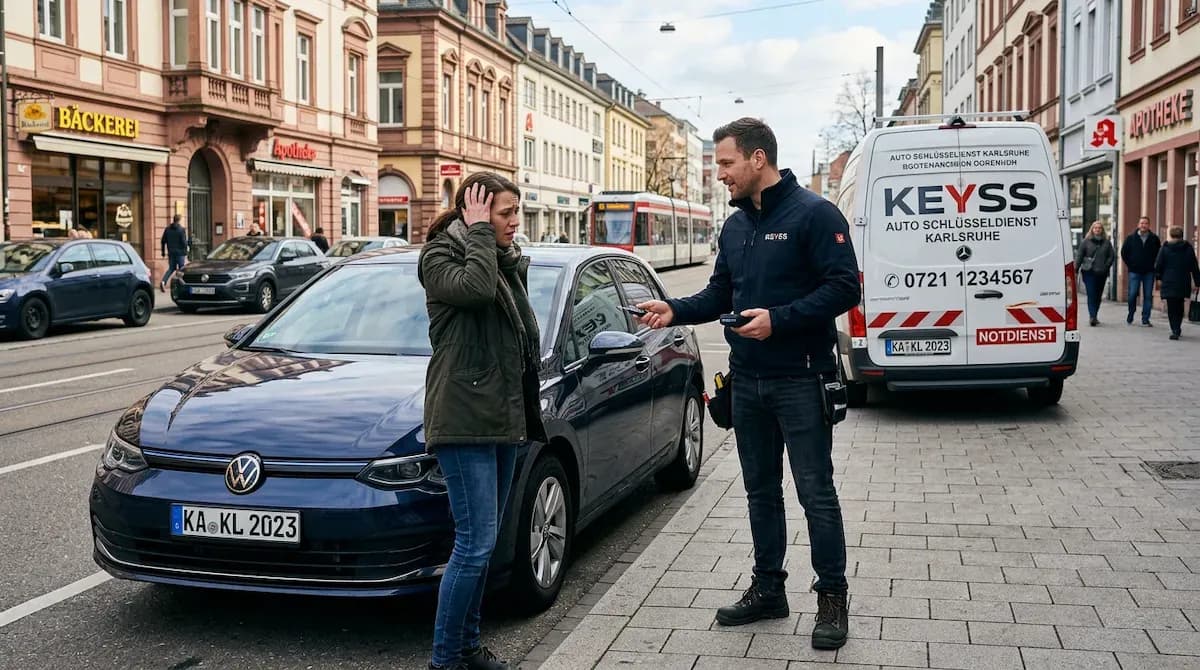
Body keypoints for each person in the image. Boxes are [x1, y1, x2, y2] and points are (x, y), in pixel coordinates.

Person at [636, 118, 859, 650]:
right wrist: (675, 310)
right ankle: (769, 590)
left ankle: (831, 597)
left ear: (758, 159)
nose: (721, 175)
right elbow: (719, 294)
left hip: (802, 380)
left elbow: (845, 287)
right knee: (761, 492)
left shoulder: (814, 214)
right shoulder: (735, 227)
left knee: (816, 494)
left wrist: (779, 320)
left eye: (726, 164)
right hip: (749, 382)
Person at [418, 173, 546, 670]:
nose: (516, 223)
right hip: (464, 415)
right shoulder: (438, 258)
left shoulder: (504, 261)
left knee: (486, 546)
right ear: (474, 212)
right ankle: (445, 660)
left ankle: (468, 648)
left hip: (503, 413)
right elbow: (472, 292)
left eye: (517, 212)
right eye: (505, 213)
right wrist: (476, 233)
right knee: (472, 545)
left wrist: (491, 243)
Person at [1154, 226, 1200, 340]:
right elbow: (1194, 266)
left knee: (1171, 305)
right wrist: (1197, 282)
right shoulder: (1188, 248)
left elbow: (1158, 264)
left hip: (1168, 280)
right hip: (1183, 280)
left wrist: (1159, 278)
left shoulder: (1165, 248)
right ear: (1181, 235)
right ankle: (1177, 327)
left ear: (1171, 235)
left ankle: (1174, 328)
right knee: (1179, 304)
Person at [1121, 216, 1161, 326]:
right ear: (1138, 225)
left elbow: (1159, 254)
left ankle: (1145, 318)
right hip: (1134, 271)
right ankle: (1131, 312)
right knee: (1133, 294)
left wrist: (1155, 265)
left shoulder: (1154, 239)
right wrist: (1131, 264)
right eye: (1142, 223)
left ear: (1149, 225)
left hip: (1149, 271)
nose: (1143, 225)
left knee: (1148, 295)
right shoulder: (1131, 238)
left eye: (1146, 223)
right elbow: (1124, 252)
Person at [1075, 221, 1116, 326]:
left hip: (1101, 273)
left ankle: (1094, 315)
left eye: (1099, 228)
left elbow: (1111, 256)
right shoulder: (1086, 242)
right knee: (1091, 294)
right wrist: (1075, 269)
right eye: (1095, 228)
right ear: (1092, 230)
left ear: (1102, 230)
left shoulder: (1106, 243)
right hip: (1089, 272)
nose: (1097, 230)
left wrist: (1106, 266)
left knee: (1098, 295)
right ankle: (1092, 316)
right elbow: (1079, 256)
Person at [160, 215, 190, 293]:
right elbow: (183, 242)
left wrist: (163, 252)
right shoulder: (181, 230)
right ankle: (180, 286)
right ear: (179, 220)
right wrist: (188, 245)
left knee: (171, 269)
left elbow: (163, 241)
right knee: (181, 269)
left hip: (171, 253)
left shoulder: (167, 229)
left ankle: (163, 281)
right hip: (180, 253)